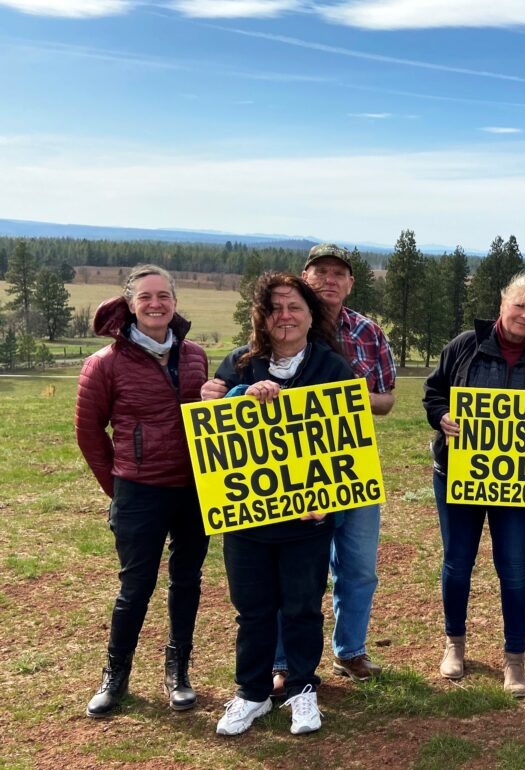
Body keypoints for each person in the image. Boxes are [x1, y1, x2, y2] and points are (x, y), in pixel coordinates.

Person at [203, 244, 395, 689]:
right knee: (283, 576)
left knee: (358, 567)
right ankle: (280, 662)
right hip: (275, 485)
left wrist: (342, 401)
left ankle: (350, 651)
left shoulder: (365, 334)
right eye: (320, 272)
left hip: (345, 469)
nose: (330, 280)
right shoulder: (260, 342)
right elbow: (221, 415)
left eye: (339, 274)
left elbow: (386, 398)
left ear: (350, 283)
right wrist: (221, 396)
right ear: (304, 280)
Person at [209, 272, 355, 737]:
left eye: (294, 307)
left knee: (302, 606)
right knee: (252, 608)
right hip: (246, 517)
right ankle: (251, 693)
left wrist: (329, 499)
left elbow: (348, 442)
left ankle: (302, 690)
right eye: (275, 308)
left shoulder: (332, 367)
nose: (285, 316)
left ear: (312, 315)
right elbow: (208, 426)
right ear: (261, 317)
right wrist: (238, 396)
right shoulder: (239, 363)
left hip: (307, 518)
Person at [422, 270, 525, 697]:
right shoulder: (464, 347)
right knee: (457, 562)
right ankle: (455, 643)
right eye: (519, 306)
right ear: (503, 304)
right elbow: (433, 393)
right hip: (457, 476)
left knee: (514, 569)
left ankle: (515, 659)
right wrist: (442, 417)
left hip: (517, 486)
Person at [75, 265, 210, 718]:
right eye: (147, 296)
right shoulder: (104, 363)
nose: (156, 304)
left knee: (187, 581)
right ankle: (115, 675)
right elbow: (89, 432)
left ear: (175, 301)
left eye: (164, 295)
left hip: (193, 489)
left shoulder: (195, 355)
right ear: (130, 303)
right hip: (138, 490)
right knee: (136, 586)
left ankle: (179, 671)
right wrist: (118, 487)